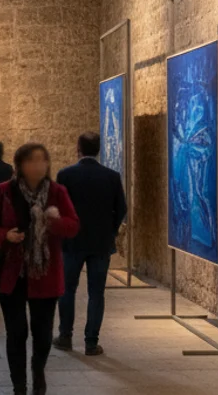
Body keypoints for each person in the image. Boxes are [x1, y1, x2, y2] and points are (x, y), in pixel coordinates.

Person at [0, 143, 80, 395]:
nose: (38, 165)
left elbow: (73, 226)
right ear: (20, 165)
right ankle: (19, 385)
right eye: (32, 160)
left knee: (43, 334)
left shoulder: (57, 192)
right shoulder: (3, 191)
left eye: (42, 160)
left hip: (45, 274)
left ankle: (38, 372)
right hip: (12, 274)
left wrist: (53, 223)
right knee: (16, 333)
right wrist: (5, 236)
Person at [54, 132, 127, 355]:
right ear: (98, 149)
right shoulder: (112, 177)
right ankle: (91, 342)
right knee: (97, 292)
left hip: (72, 241)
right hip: (100, 242)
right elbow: (121, 209)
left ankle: (65, 336)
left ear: (78, 148)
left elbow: (58, 208)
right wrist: (110, 231)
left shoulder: (65, 175)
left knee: (67, 289)